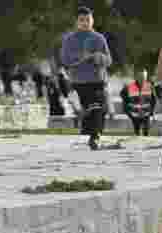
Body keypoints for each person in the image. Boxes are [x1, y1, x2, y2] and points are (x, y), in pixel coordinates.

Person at [59, 6, 112, 150]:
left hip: (97, 81)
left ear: (92, 20)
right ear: (76, 22)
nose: (85, 23)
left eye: (88, 20)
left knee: (98, 108)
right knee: (87, 112)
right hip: (78, 83)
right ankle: (90, 135)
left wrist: (97, 57)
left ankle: (95, 137)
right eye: (82, 20)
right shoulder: (69, 39)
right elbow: (65, 60)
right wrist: (81, 58)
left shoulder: (99, 38)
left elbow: (108, 61)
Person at [121, 68, 156, 136]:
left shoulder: (150, 86)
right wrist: (127, 111)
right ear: (137, 77)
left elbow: (154, 100)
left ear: (146, 77)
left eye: (144, 77)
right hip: (135, 114)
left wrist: (152, 111)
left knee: (146, 132)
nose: (142, 79)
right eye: (141, 77)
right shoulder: (129, 87)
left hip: (146, 113)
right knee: (137, 132)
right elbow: (124, 98)